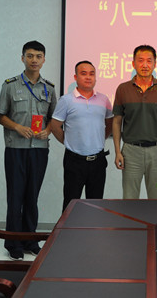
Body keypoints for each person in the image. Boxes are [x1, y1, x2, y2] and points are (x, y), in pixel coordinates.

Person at [0, 40, 57, 260]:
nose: (34, 60)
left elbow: (54, 118)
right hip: (16, 149)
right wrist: (17, 127)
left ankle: (30, 240)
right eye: (30, 56)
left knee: (32, 196)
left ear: (44, 59)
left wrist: (47, 131)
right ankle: (13, 243)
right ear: (22, 58)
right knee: (15, 197)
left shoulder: (49, 88)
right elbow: (0, 115)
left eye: (38, 56)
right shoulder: (10, 85)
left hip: (39, 149)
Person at [112, 44, 157, 199]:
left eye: (149, 60)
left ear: (155, 63)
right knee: (129, 198)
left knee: (156, 199)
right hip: (131, 150)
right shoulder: (123, 89)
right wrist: (118, 151)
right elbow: (117, 122)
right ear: (133, 63)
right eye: (140, 60)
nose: (145, 65)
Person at [51, 60, 113, 211]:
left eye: (92, 74)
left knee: (96, 205)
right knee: (71, 204)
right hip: (74, 161)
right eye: (83, 74)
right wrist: (69, 142)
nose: (88, 77)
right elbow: (55, 126)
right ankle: (69, 228)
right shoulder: (66, 100)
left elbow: (110, 123)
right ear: (75, 77)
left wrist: (98, 139)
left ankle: (94, 228)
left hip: (98, 161)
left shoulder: (104, 100)